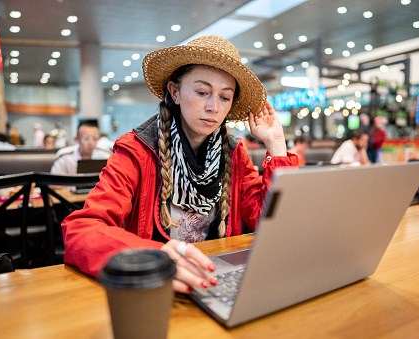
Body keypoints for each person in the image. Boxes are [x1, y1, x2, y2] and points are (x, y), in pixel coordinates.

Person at [61, 35, 298, 293]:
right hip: (157, 284)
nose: (213, 107)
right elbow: (81, 230)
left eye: (224, 97)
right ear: (174, 92)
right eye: (202, 92)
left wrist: (276, 145)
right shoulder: (137, 149)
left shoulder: (234, 152)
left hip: (218, 280)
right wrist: (155, 256)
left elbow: (273, 220)